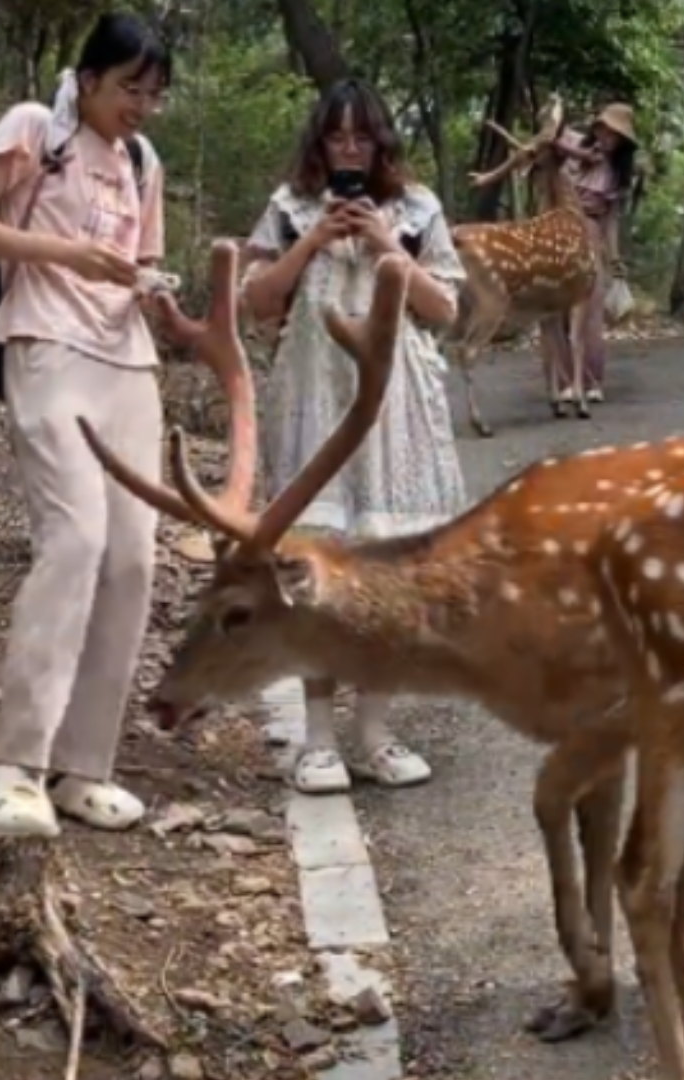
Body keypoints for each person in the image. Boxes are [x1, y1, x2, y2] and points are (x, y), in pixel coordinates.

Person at [0, 13, 189, 837]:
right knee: (73, 540)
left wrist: (155, 290)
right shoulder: (34, 130)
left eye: (154, 94)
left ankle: (86, 767)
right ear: (88, 81)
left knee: (131, 559)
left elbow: (141, 259)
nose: (140, 107)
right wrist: (64, 256)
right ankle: (15, 766)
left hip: (127, 360)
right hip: (45, 342)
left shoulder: (143, 161)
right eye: (128, 89)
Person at [241, 78, 469, 795]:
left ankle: (374, 731)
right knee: (315, 570)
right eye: (337, 137)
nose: (349, 149)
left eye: (361, 137)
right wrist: (313, 238)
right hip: (313, 403)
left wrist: (384, 244)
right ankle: (316, 740)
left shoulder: (418, 208)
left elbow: (446, 308)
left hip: (396, 411)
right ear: (320, 142)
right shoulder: (288, 209)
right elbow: (255, 301)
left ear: (380, 143)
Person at [551, 103, 638, 403]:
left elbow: (611, 220)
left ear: (623, 143)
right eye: (603, 129)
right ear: (596, 127)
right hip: (560, 225)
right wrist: (580, 154)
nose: (606, 137)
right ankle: (564, 381)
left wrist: (615, 259)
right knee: (559, 305)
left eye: (614, 135)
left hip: (590, 230)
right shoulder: (574, 142)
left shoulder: (617, 174)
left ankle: (592, 381)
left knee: (591, 305)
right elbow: (549, 139)